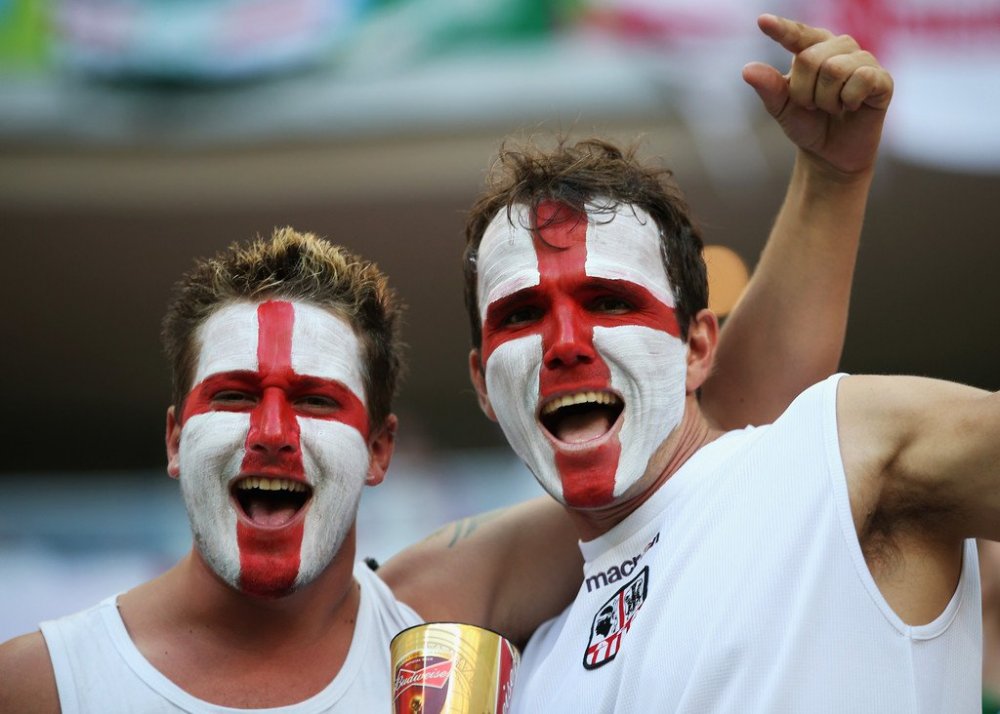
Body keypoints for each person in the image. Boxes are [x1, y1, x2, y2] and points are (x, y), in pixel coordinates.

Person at [0, 14, 887, 714]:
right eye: (235, 395)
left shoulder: (428, 610)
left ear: (381, 450)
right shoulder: (39, 685)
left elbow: (727, 426)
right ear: (174, 434)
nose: (273, 434)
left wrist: (831, 178)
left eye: (316, 400)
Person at [462, 15, 998, 714]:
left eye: (609, 301)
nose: (566, 342)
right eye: (522, 315)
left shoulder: (841, 454)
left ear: (698, 348)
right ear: (482, 385)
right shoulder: (529, 665)